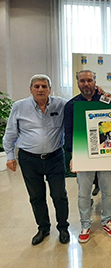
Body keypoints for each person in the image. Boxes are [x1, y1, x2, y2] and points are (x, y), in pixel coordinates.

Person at [3, 74, 70, 245]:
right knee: (36, 196)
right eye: (37, 86)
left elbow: (79, 107)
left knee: (59, 195)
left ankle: (63, 228)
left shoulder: (61, 104)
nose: (40, 89)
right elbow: (10, 134)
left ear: (50, 89)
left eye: (44, 86)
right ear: (31, 89)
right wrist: (10, 156)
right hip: (29, 160)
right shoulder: (19, 106)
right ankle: (43, 228)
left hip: (55, 157)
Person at [64, 69, 111, 243]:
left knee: (108, 191)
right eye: (82, 81)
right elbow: (69, 132)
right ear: (78, 83)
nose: (86, 84)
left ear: (95, 81)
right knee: (84, 193)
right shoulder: (71, 105)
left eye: (89, 80)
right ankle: (85, 224)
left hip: (105, 153)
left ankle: (107, 220)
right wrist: (73, 156)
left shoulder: (105, 101)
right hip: (83, 154)